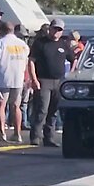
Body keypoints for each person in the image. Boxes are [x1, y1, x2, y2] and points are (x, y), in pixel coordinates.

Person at [27, 18, 77, 146]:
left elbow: (74, 60)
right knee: (42, 109)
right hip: (44, 80)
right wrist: (34, 79)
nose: (56, 31)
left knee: (53, 111)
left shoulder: (63, 44)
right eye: (55, 28)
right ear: (50, 28)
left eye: (59, 29)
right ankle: (35, 136)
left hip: (59, 82)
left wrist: (69, 75)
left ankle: (49, 138)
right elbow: (31, 61)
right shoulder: (40, 43)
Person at [0, 22, 31, 143]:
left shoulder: (1, 43)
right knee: (16, 106)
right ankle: (17, 133)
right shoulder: (23, 45)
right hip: (18, 79)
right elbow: (27, 61)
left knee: (1, 106)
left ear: (2, 30)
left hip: (3, 78)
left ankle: (2, 132)